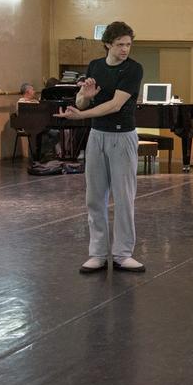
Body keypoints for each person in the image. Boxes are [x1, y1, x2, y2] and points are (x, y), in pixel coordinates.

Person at [56, 21, 145, 274]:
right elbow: (82, 102)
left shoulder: (133, 69)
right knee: (94, 197)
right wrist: (84, 97)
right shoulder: (95, 65)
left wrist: (81, 116)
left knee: (124, 197)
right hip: (97, 136)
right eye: (119, 44)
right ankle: (97, 253)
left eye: (128, 44)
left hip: (122, 137)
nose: (124, 49)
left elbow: (115, 105)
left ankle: (123, 254)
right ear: (107, 44)